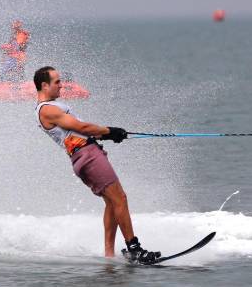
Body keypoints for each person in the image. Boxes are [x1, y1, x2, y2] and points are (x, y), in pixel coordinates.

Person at [34, 66, 161, 264]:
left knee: (112, 202)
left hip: (87, 154)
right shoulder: (48, 110)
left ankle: (109, 255)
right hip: (87, 156)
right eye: (57, 82)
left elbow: (81, 132)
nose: (61, 85)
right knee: (120, 198)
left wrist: (107, 135)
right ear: (44, 85)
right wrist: (110, 131)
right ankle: (135, 249)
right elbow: (81, 127)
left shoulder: (53, 107)